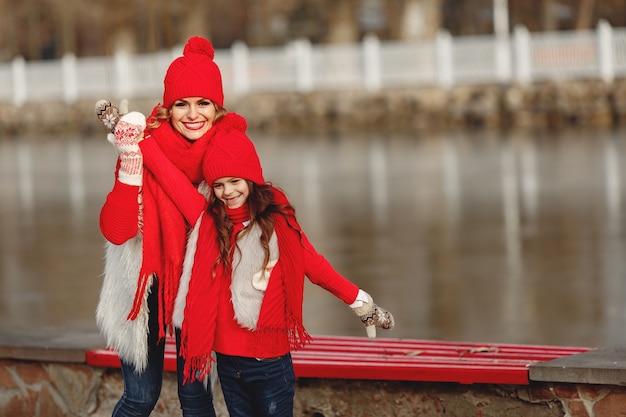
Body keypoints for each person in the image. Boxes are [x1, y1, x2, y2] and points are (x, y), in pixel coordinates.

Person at [108, 108, 395, 417]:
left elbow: (313, 264)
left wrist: (359, 301)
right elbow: (169, 176)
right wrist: (134, 133)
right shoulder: (208, 222)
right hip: (230, 365)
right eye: (218, 185)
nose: (227, 191)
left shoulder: (277, 223)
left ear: (251, 178)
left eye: (235, 181)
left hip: (271, 362)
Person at [96, 36, 240, 417]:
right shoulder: (137, 144)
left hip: (197, 287)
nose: (193, 114)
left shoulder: (229, 151)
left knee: (196, 398)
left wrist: (150, 155)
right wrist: (130, 162)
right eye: (181, 104)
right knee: (141, 397)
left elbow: (206, 221)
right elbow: (116, 230)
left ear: (217, 107)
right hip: (144, 289)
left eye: (203, 103)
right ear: (169, 107)